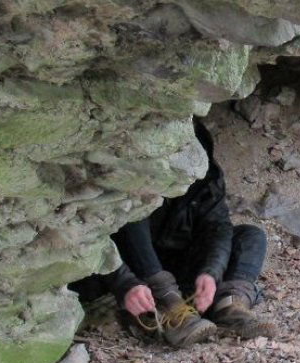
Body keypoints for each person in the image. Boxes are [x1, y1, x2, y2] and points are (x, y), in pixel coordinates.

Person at [70, 120, 274, 348]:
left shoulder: (205, 179)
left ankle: (228, 304)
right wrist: (124, 283)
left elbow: (218, 229)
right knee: (133, 220)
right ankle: (168, 308)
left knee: (251, 237)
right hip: (138, 270)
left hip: (180, 264)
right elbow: (96, 238)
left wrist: (211, 273)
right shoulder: (129, 181)